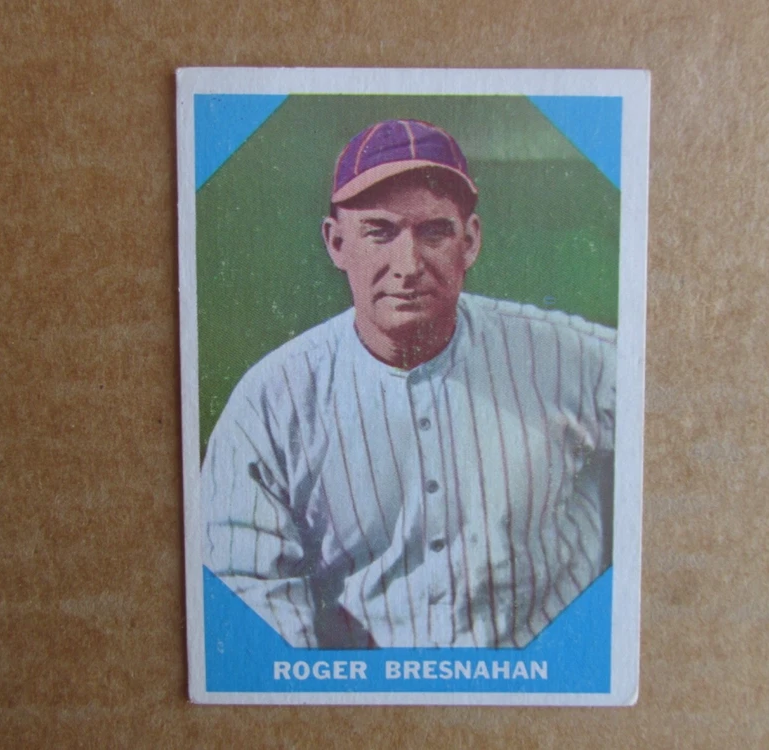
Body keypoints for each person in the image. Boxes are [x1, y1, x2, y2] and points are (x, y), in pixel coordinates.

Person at [201, 119, 616, 649]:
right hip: (367, 690)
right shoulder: (270, 401)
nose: (408, 265)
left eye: (434, 232)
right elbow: (248, 590)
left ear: (470, 241)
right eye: (379, 232)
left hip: (538, 675)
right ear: (336, 242)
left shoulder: (570, 357)